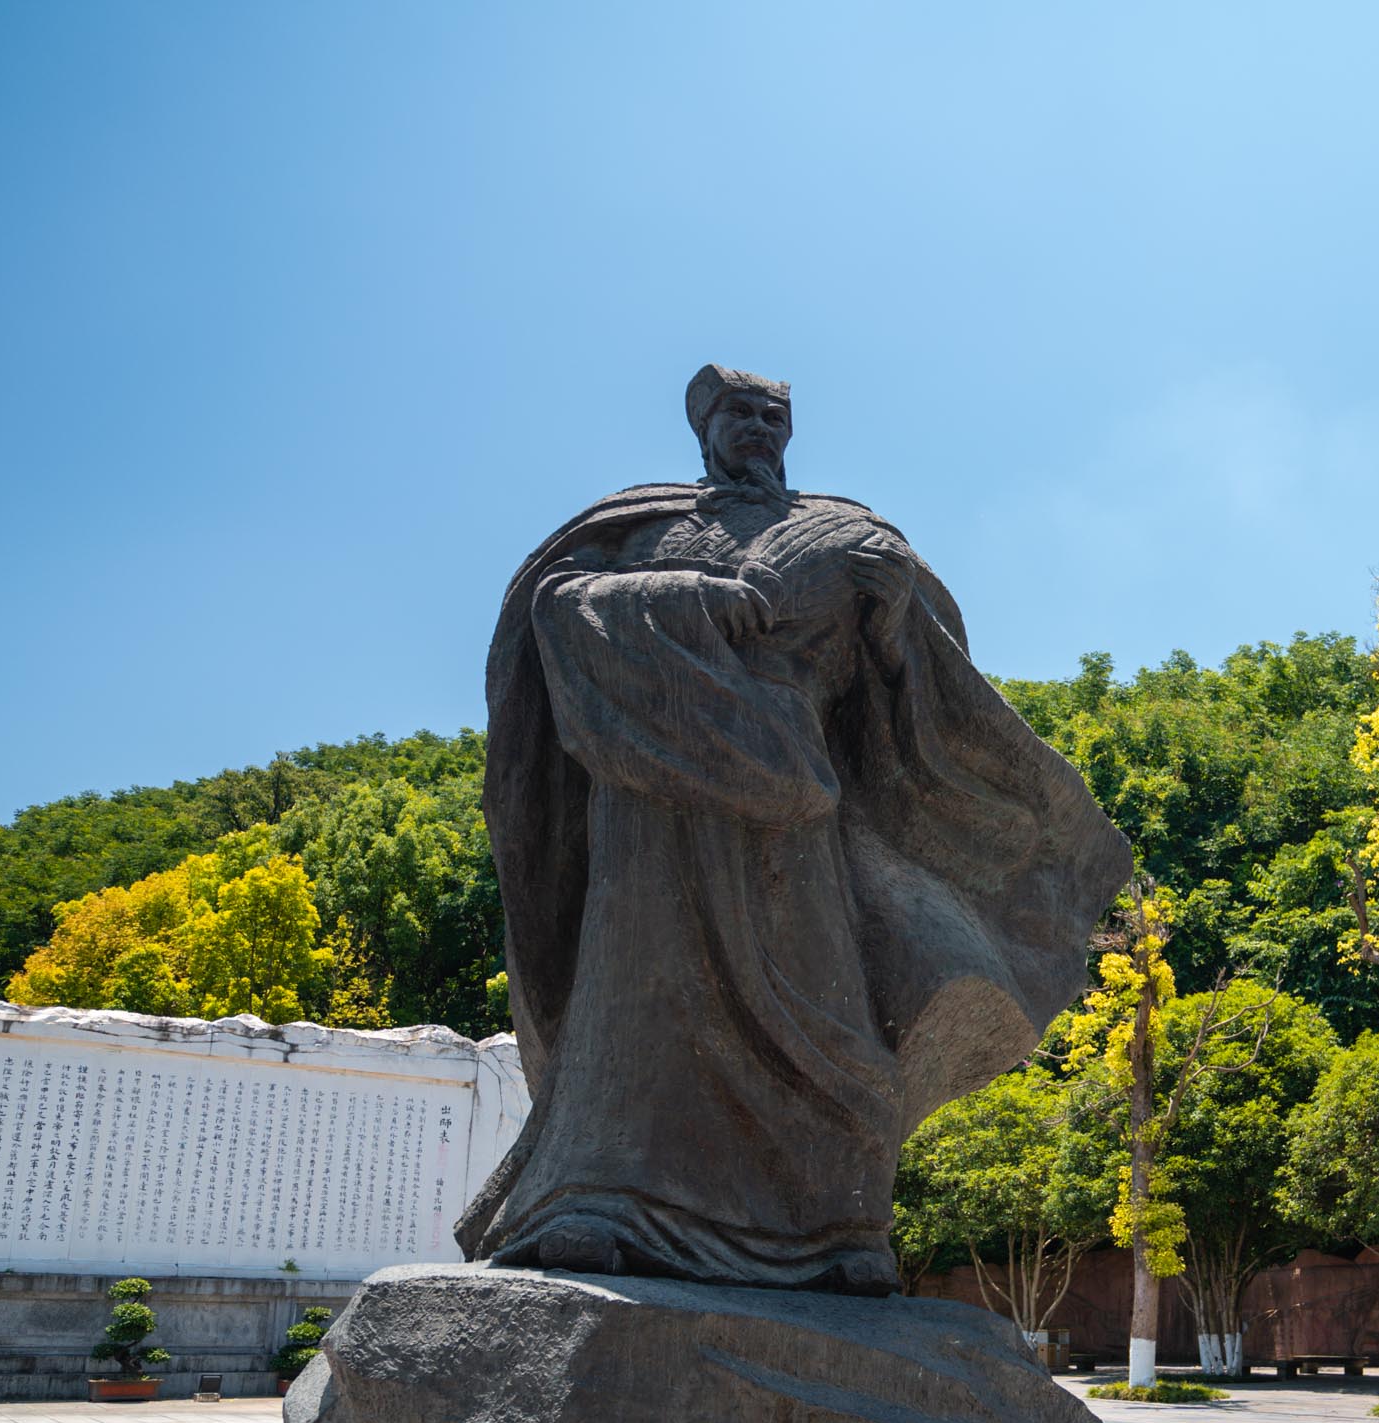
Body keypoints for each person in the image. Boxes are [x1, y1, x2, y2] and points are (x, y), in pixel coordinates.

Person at [462, 365, 1127, 1290]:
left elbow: (915, 695)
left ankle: (836, 1226)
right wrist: (688, 599)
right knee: (642, 997)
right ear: (703, 428)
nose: (760, 427)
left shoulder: (844, 532)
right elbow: (554, 608)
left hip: (793, 797)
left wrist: (894, 619)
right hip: (652, 796)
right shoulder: (644, 526)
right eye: (740, 412)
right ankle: (600, 1202)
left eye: (775, 414)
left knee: (819, 1002)